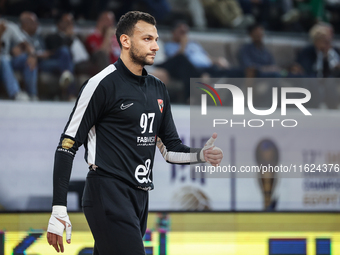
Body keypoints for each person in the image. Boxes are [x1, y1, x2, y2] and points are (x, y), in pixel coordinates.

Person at [46, 11, 223, 254]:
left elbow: (170, 149)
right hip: (107, 192)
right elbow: (66, 146)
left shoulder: (158, 88)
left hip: (139, 197)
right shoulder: (101, 83)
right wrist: (58, 209)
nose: (156, 46)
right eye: (147, 39)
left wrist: (201, 155)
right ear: (126, 41)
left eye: (156, 39)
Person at [0, 15, 38, 100]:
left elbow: (25, 43)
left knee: (27, 58)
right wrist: (1, 34)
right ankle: (15, 93)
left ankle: (32, 94)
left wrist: (32, 55)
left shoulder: (8, 25)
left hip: (8, 61)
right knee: (3, 59)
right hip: (2, 61)